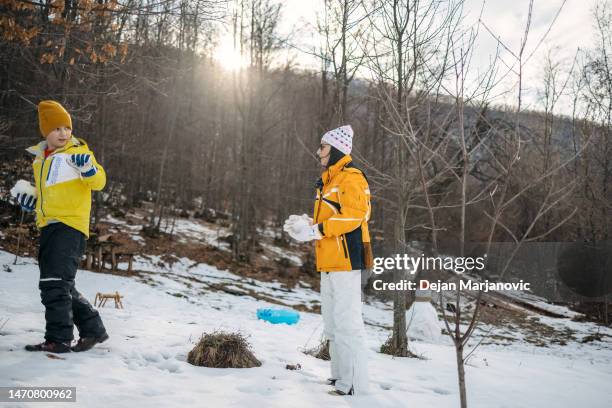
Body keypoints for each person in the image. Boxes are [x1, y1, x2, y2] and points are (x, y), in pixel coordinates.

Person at [284, 125, 372, 396]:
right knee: (332, 323)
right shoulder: (329, 180)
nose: (318, 151)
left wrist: (315, 230)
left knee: (347, 323)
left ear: (335, 149)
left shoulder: (351, 178)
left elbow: (355, 216)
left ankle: (353, 383)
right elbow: (328, 220)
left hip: (347, 261)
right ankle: (339, 378)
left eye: (322, 147)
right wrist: (305, 224)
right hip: (329, 260)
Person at [14, 100, 109, 353]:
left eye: (67, 127)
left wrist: (88, 168)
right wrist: (31, 200)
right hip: (49, 225)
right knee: (61, 283)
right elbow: (49, 195)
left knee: (54, 283)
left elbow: (99, 181)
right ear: (45, 131)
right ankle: (93, 330)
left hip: (71, 226)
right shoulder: (40, 160)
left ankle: (58, 338)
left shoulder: (77, 153)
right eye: (56, 128)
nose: (64, 133)